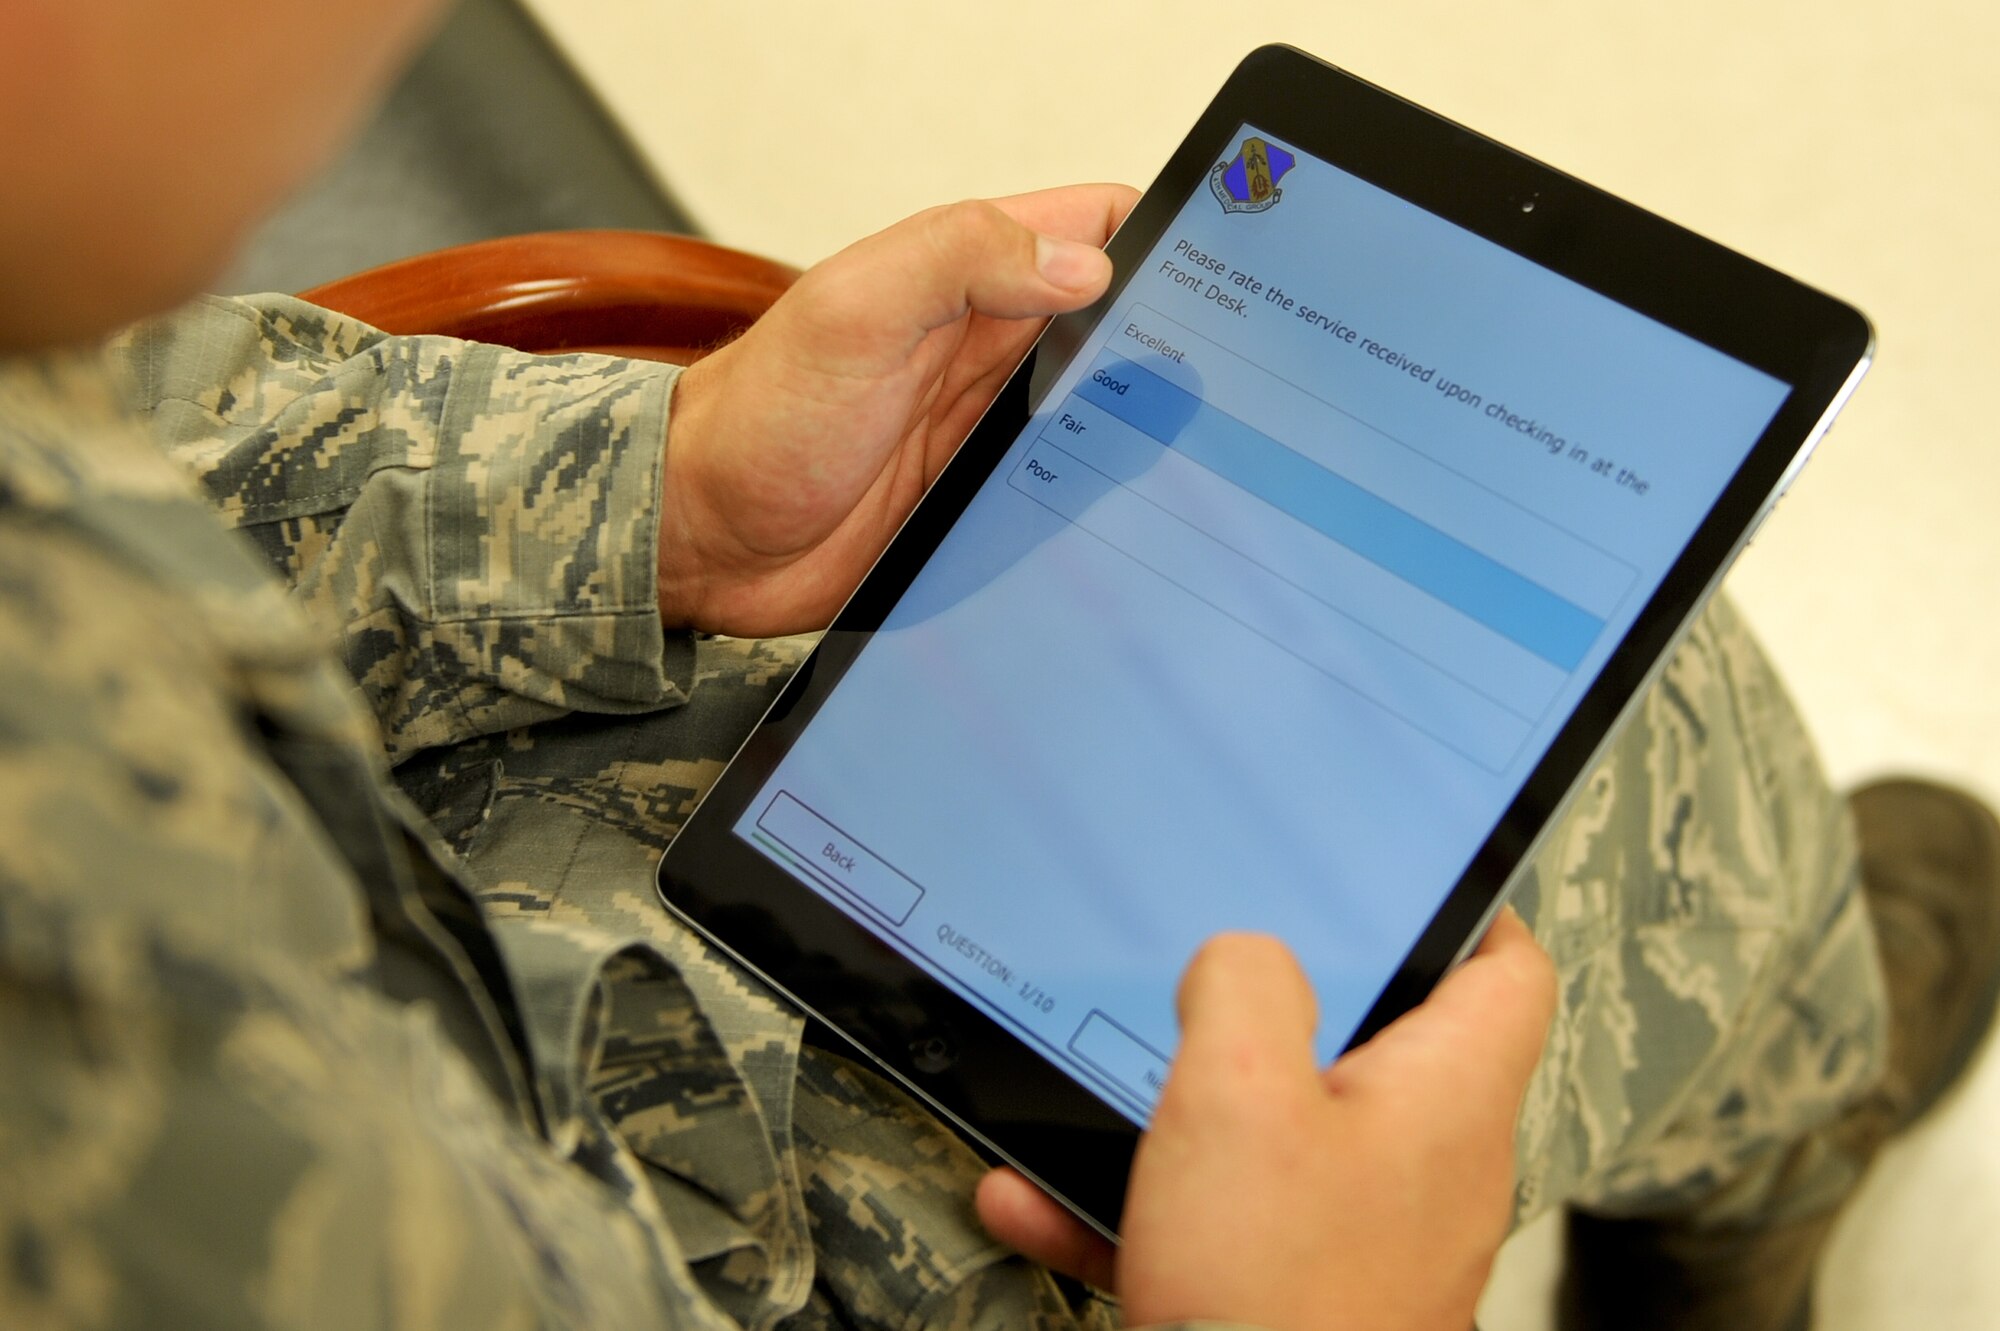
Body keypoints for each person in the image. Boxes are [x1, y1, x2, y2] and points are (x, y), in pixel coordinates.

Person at [1, 3, 1994, 1329]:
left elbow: (141, 429)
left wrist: (664, 491)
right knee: (1654, 765)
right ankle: (1766, 1178)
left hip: (475, 882)